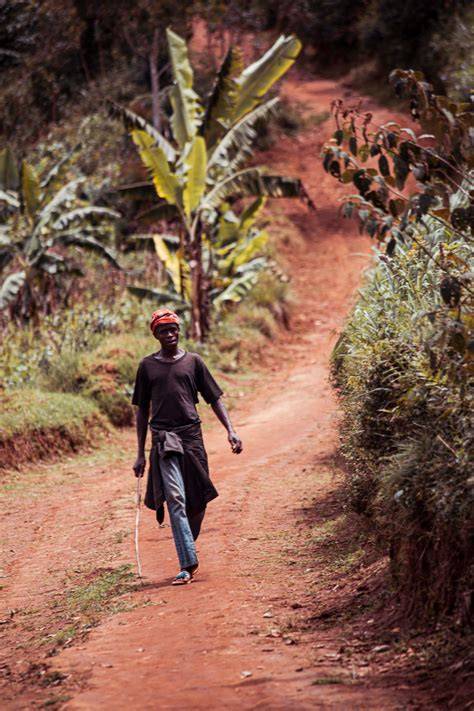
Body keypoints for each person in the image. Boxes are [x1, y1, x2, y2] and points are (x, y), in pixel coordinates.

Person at [132, 307, 243, 585]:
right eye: (163, 331)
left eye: (173, 329)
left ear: (179, 331)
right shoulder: (147, 366)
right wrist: (140, 454)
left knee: (198, 499)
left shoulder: (193, 362)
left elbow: (214, 398)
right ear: (156, 335)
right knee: (176, 499)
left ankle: (187, 544)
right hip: (164, 439)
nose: (169, 334)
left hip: (192, 436)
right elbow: (142, 411)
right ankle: (187, 563)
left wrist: (230, 430)